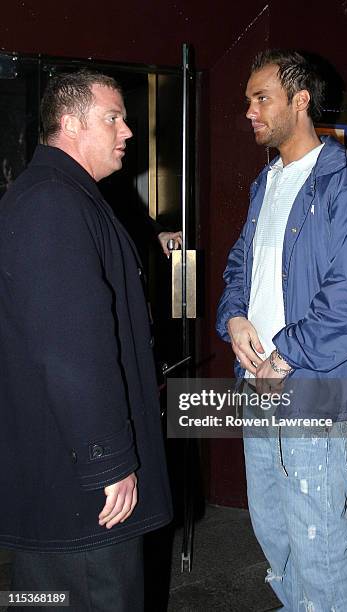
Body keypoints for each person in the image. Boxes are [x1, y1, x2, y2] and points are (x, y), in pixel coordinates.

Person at [216, 50, 347, 611]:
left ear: (300, 102)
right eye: (247, 100)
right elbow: (241, 264)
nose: (249, 110)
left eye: (260, 97)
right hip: (260, 378)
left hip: (309, 379)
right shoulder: (267, 183)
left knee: (317, 529)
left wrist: (285, 354)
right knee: (272, 518)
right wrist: (234, 316)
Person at [0, 69, 172, 611]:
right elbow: (71, 347)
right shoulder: (53, 203)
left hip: (60, 471)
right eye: (113, 117)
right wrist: (109, 460)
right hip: (83, 491)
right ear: (71, 123)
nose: (127, 132)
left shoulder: (57, 194)